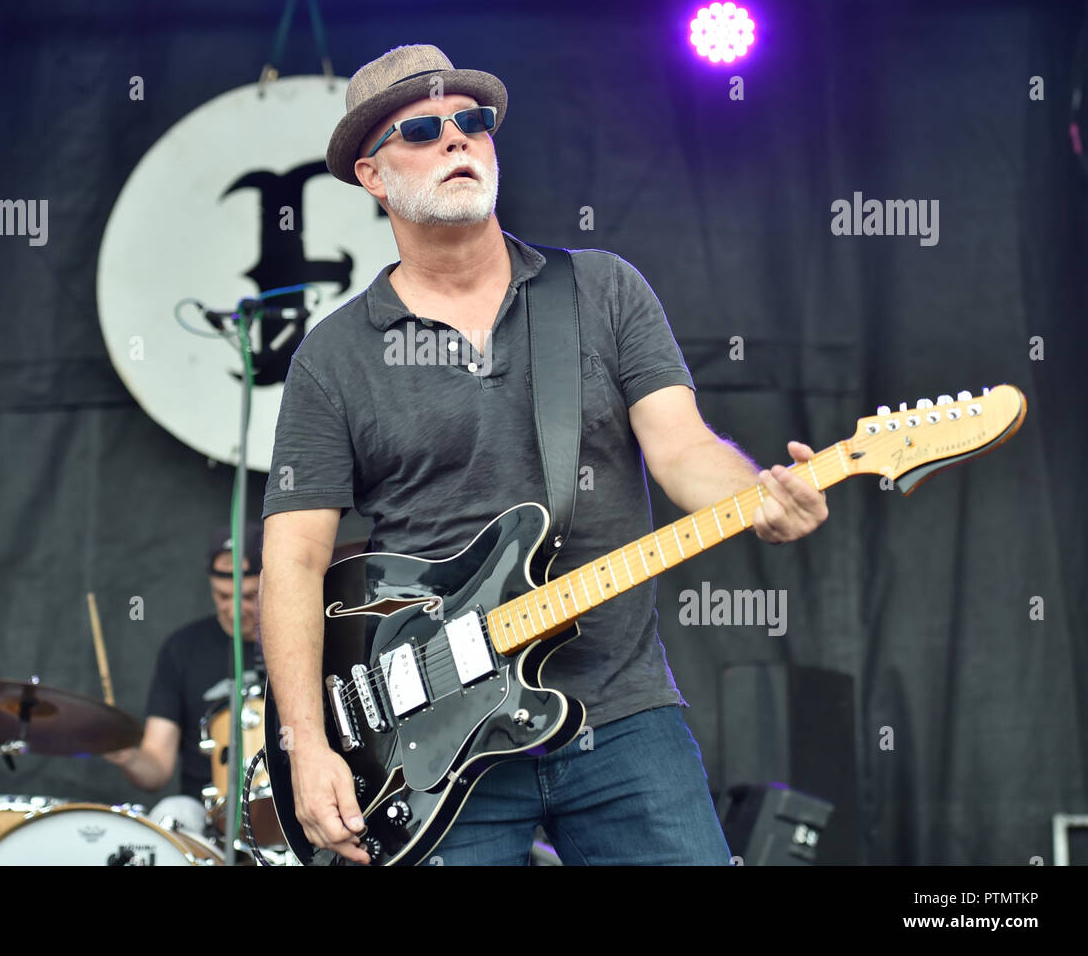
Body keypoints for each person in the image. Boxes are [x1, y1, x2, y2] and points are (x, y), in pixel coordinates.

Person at [259, 44, 829, 866]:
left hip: (620, 713)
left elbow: (684, 451)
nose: (458, 140)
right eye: (422, 129)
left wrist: (763, 494)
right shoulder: (334, 356)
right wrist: (307, 747)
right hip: (427, 747)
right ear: (374, 176)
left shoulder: (602, 290)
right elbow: (293, 563)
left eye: (472, 122)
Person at [104, 522, 262, 831]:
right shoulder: (183, 647)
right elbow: (157, 768)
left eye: (248, 596)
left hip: (293, 800)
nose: (234, 610)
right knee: (167, 816)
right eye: (223, 596)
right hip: (203, 809)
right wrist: (127, 755)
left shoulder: (302, 639)